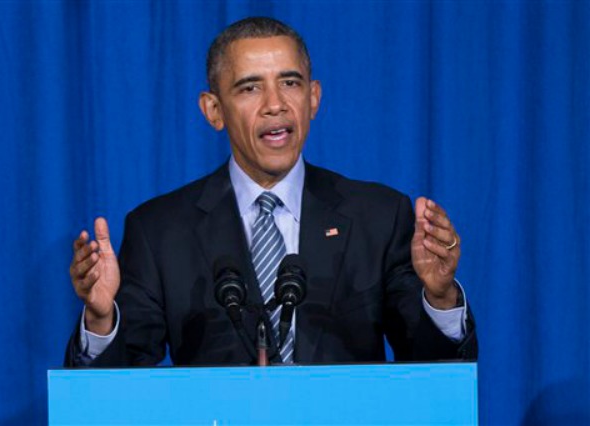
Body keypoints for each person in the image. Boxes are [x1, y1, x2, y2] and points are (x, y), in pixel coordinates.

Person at [65, 17, 477, 367]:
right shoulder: (159, 230)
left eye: (290, 83)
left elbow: (434, 368)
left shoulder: (380, 215)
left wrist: (439, 299)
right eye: (250, 88)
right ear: (213, 111)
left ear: (313, 98)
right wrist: (102, 322)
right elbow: (118, 386)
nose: (275, 104)